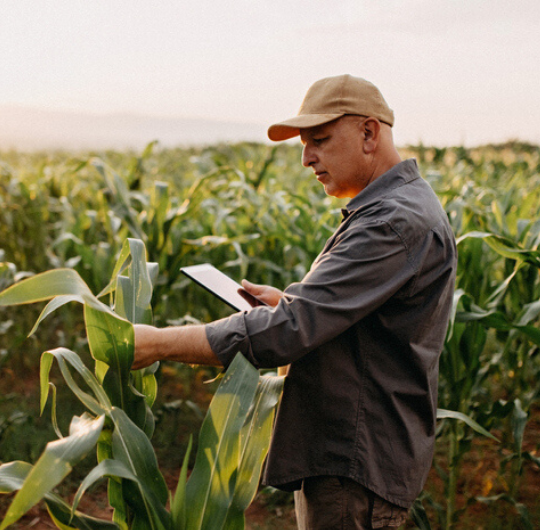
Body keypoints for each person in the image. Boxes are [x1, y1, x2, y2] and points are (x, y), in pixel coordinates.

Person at [133, 74, 457, 530]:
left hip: (353, 463)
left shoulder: (393, 221)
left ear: (369, 133)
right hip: (350, 455)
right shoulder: (394, 208)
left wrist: (156, 344)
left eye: (320, 141)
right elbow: (367, 324)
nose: (307, 159)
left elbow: (290, 331)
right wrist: (288, 303)